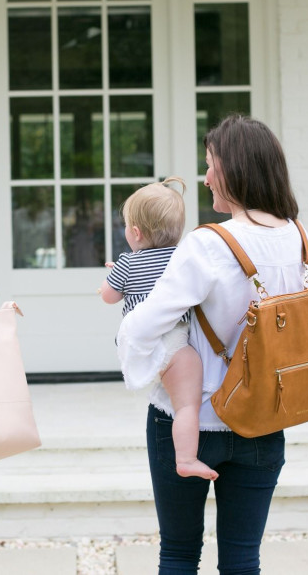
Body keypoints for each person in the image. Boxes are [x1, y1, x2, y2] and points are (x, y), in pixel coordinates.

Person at [117, 115, 308, 574]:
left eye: (210, 165)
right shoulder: (298, 236)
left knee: (179, 554)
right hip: (262, 419)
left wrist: (135, 346)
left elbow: (144, 326)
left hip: (189, 420)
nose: (205, 177)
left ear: (235, 168)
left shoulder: (209, 242)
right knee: (243, 558)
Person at [99, 177, 218, 480]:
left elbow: (109, 297)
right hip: (176, 346)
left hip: (142, 347)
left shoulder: (127, 262)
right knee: (187, 406)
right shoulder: (181, 258)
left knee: (170, 397)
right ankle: (187, 458)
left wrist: (115, 277)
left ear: (135, 232)